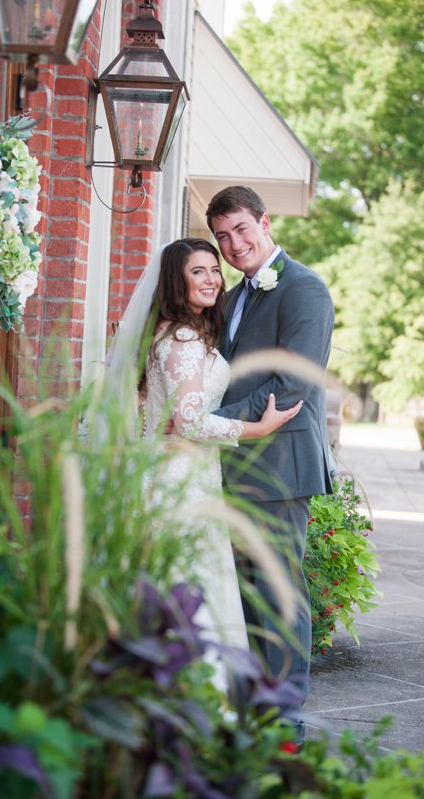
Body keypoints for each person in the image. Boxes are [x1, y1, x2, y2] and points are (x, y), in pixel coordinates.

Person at [138, 237, 301, 690]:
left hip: (181, 474)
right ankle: (193, 699)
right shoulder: (184, 340)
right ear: (177, 280)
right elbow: (189, 422)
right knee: (193, 588)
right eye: (198, 271)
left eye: (214, 270)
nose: (212, 279)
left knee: (186, 587)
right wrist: (258, 428)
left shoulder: (172, 333)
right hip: (182, 480)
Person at [208, 185, 335, 734]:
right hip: (232, 466)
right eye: (222, 237)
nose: (234, 245)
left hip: (279, 469)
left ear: (264, 221)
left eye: (240, 229)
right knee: (245, 595)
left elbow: (290, 389)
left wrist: (209, 425)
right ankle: (254, 707)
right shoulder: (233, 297)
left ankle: (284, 720)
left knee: (279, 594)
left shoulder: (305, 290)